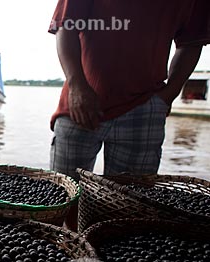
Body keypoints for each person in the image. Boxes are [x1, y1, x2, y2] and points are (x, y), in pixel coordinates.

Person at [48, 0, 210, 182]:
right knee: (64, 195)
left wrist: (167, 96)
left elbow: (191, 43)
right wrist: (77, 87)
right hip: (81, 104)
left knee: (131, 203)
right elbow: (65, 27)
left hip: (145, 108)